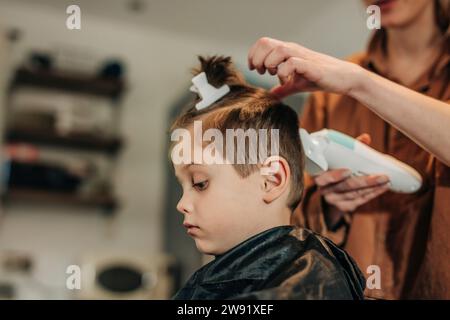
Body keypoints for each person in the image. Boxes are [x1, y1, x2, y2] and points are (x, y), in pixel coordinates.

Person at [247, 0, 449, 299]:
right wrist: (332, 208)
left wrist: (360, 84)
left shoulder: (344, 81)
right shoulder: (329, 95)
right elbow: (292, 225)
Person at [170, 56, 365, 300]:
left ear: (271, 180)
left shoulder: (308, 281)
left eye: (200, 183)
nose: (182, 204)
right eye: (183, 186)